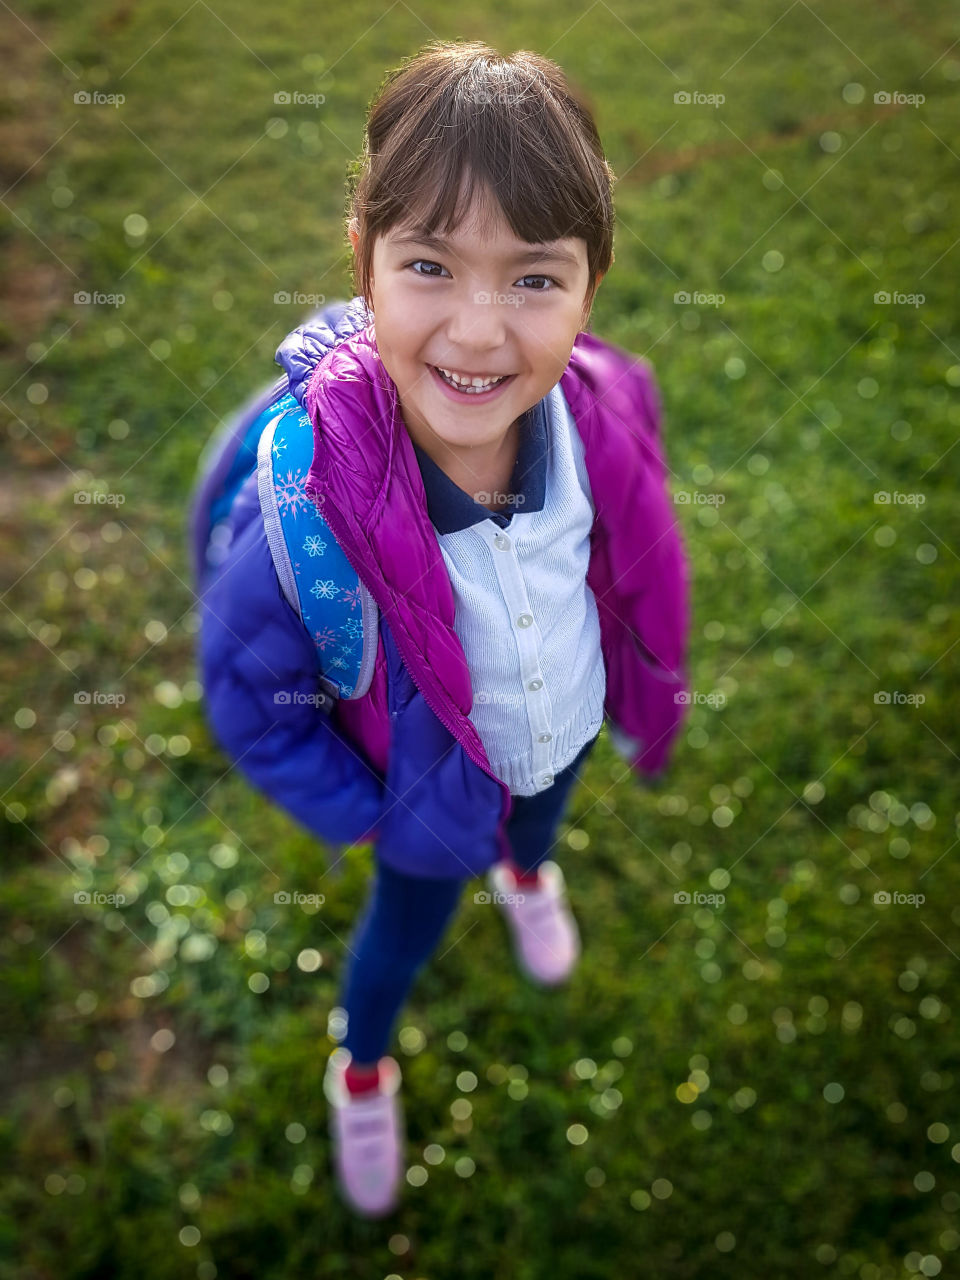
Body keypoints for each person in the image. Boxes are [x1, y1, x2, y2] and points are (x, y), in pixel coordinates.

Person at [197, 38, 692, 1218]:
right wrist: (366, 811)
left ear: (590, 286)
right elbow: (250, 694)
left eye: (533, 278)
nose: (477, 333)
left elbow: (638, 552)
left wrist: (643, 682)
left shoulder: (608, 403)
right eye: (429, 264)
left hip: (558, 729)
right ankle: (362, 1063)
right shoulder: (307, 505)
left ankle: (528, 870)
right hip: (420, 802)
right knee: (396, 944)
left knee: (542, 814)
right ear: (365, 260)